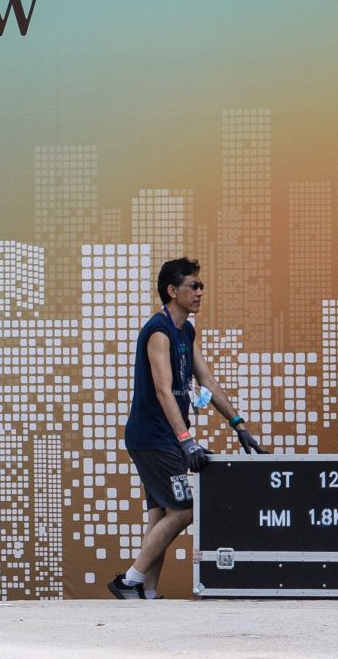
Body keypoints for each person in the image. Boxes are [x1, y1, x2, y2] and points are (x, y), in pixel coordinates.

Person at [108, 256, 266, 601]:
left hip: (163, 437)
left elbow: (206, 378)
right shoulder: (158, 331)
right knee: (185, 510)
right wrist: (186, 441)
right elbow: (164, 390)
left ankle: (147, 594)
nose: (199, 292)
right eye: (193, 286)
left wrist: (238, 425)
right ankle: (129, 581)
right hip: (154, 436)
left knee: (160, 515)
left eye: (201, 286)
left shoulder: (186, 330)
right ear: (172, 291)